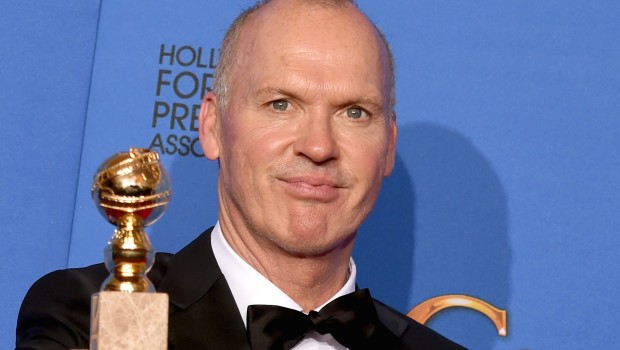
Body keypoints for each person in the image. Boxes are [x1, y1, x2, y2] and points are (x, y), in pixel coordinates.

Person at [16, 0, 465, 349]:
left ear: (387, 146)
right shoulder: (98, 313)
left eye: (354, 112)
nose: (319, 146)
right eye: (281, 104)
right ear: (211, 126)